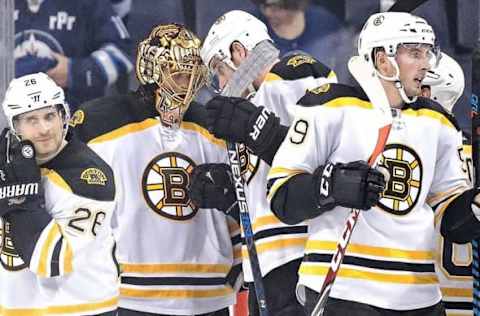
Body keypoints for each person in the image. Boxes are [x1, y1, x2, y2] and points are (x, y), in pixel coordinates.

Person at [267, 12, 480, 315]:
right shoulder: (330, 106)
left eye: (428, 53)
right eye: (415, 53)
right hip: (343, 291)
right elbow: (281, 196)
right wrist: (332, 185)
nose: (426, 64)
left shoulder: (439, 122)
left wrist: (473, 206)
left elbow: (451, 220)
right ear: (383, 60)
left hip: (420, 297)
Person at [71, 23, 242, 316]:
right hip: (130, 296)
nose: (187, 85)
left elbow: (239, 209)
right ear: (152, 71)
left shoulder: (215, 127)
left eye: (193, 75)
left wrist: (237, 269)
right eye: (178, 75)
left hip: (209, 293)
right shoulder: (100, 123)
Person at [190, 10, 336, 316]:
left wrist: (261, 132)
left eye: (219, 68)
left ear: (238, 52)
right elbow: (267, 184)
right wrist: (227, 191)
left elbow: (323, 157)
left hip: (303, 256)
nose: (220, 81)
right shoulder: (251, 104)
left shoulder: (294, 72)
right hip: (265, 266)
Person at [0, 72, 118, 315]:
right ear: (15, 126)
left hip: (81, 309)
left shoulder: (89, 176)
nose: (44, 128)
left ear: (63, 116)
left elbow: (51, 260)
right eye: (31, 120)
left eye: (49, 116)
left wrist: (21, 196)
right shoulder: (8, 163)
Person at [421, 52, 473, 315]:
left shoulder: (413, 156)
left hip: (425, 300)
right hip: (470, 299)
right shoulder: (469, 157)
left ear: (428, 95)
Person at [14, 0, 133, 111]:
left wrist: (74, 71)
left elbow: (122, 54)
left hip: (77, 121)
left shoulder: (89, 3)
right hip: (10, 120)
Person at [249, 0, 353, 81]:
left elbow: (343, 66)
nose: (268, 12)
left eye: (275, 6)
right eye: (263, 6)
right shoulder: (252, 26)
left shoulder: (324, 23)